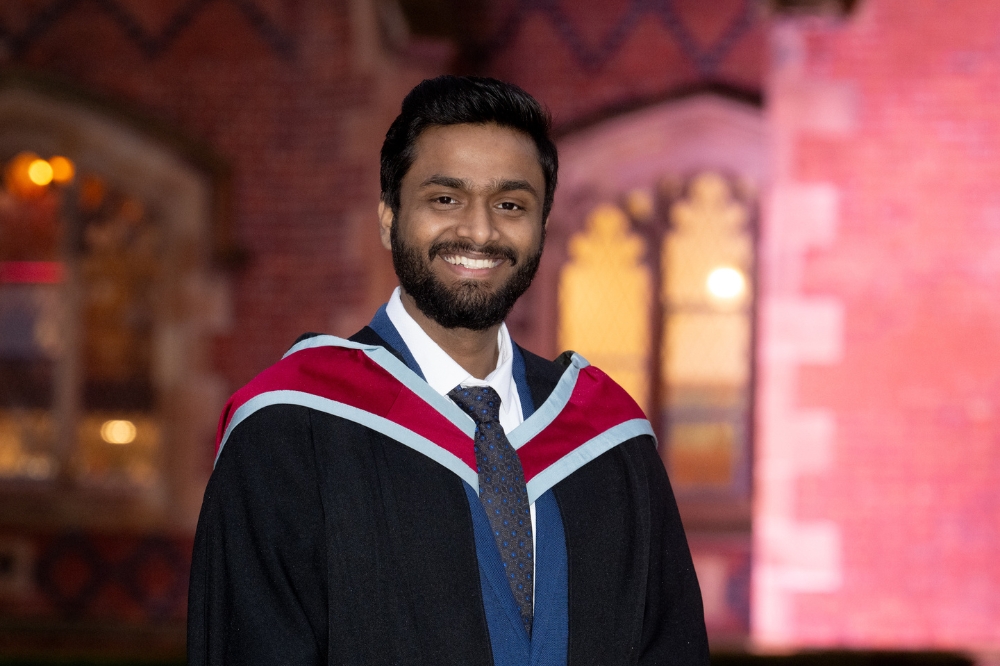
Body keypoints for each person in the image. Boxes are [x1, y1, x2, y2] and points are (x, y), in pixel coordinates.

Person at [187, 75, 708, 666]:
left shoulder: (608, 439)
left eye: (510, 205)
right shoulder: (289, 430)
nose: (479, 231)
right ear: (388, 218)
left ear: (541, 228)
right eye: (445, 200)